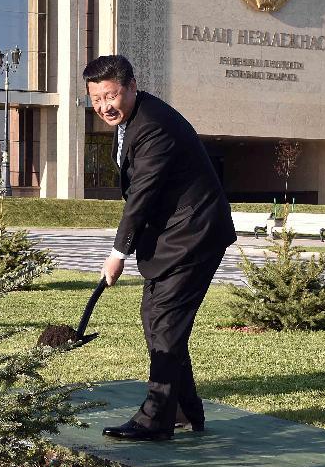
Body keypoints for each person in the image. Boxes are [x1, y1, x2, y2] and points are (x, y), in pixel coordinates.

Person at [84, 55, 236, 441]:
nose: (104, 107)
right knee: (156, 319)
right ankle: (185, 410)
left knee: (165, 323)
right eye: (96, 99)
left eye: (111, 96)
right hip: (175, 234)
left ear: (132, 86)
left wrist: (118, 253)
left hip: (195, 234)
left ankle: (156, 418)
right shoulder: (135, 120)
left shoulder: (155, 127)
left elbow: (143, 195)